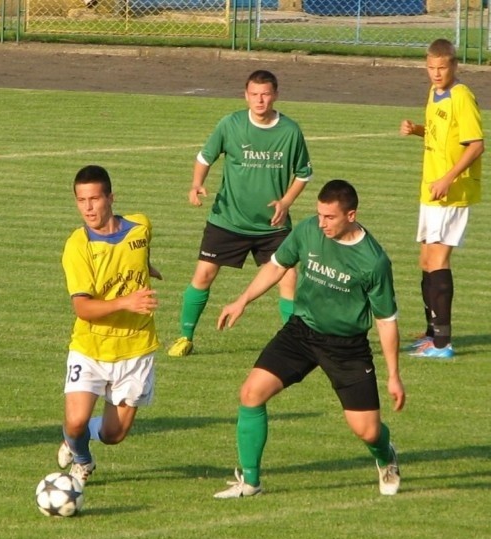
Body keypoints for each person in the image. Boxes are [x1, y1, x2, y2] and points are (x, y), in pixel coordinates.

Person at [213, 180, 405, 499]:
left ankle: (386, 457)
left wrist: (394, 376)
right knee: (251, 393)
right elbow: (277, 267)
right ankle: (250, 482)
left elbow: (386, 321)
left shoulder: (373, 262)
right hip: (301, 331)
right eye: (319, 214)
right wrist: (242, 300)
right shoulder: (307, 231)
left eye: (330, 217)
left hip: (346, 347)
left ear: (352, 215)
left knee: (368, 430)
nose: (322, 223)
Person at [168, 69, 313, 357]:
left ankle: (294, 344)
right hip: (228, 219)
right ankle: (185, 337)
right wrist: (196, 183)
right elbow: (204, 157)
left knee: (288, 278)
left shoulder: (290, 131)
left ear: (275, 95)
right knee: (204, 274)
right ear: (245, 96)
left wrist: (285, 202)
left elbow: (303, 174)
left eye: (266, 94)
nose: (260, 100)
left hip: (273, 225)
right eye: (254, 94)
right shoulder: (230, 125)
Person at [56, 165, 162, 487]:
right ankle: (83, 460)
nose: (88, 208)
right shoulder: (78, 247)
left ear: (111, 198)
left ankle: (81, 441)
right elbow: (82, 307)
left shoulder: (141, 227)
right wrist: (125, 302)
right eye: (81, 200)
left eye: (94, 199)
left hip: (135, 347)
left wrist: (146, 268)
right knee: (75, 422)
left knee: (114, 435)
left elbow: (137, 254)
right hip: (90, 347)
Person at [399, 38, 484, 359]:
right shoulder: (435, 94)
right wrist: (418, 129)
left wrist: (448, 178)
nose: (436, 74)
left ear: (454, 66)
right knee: (425, 261)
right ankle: (431, 334)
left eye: (442, 68)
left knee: (438, 261)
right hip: (431, 191)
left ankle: (442, 344)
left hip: (452, 191)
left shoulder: (462, 97)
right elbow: (441, 133)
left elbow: (475, 144)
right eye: (431, 68)